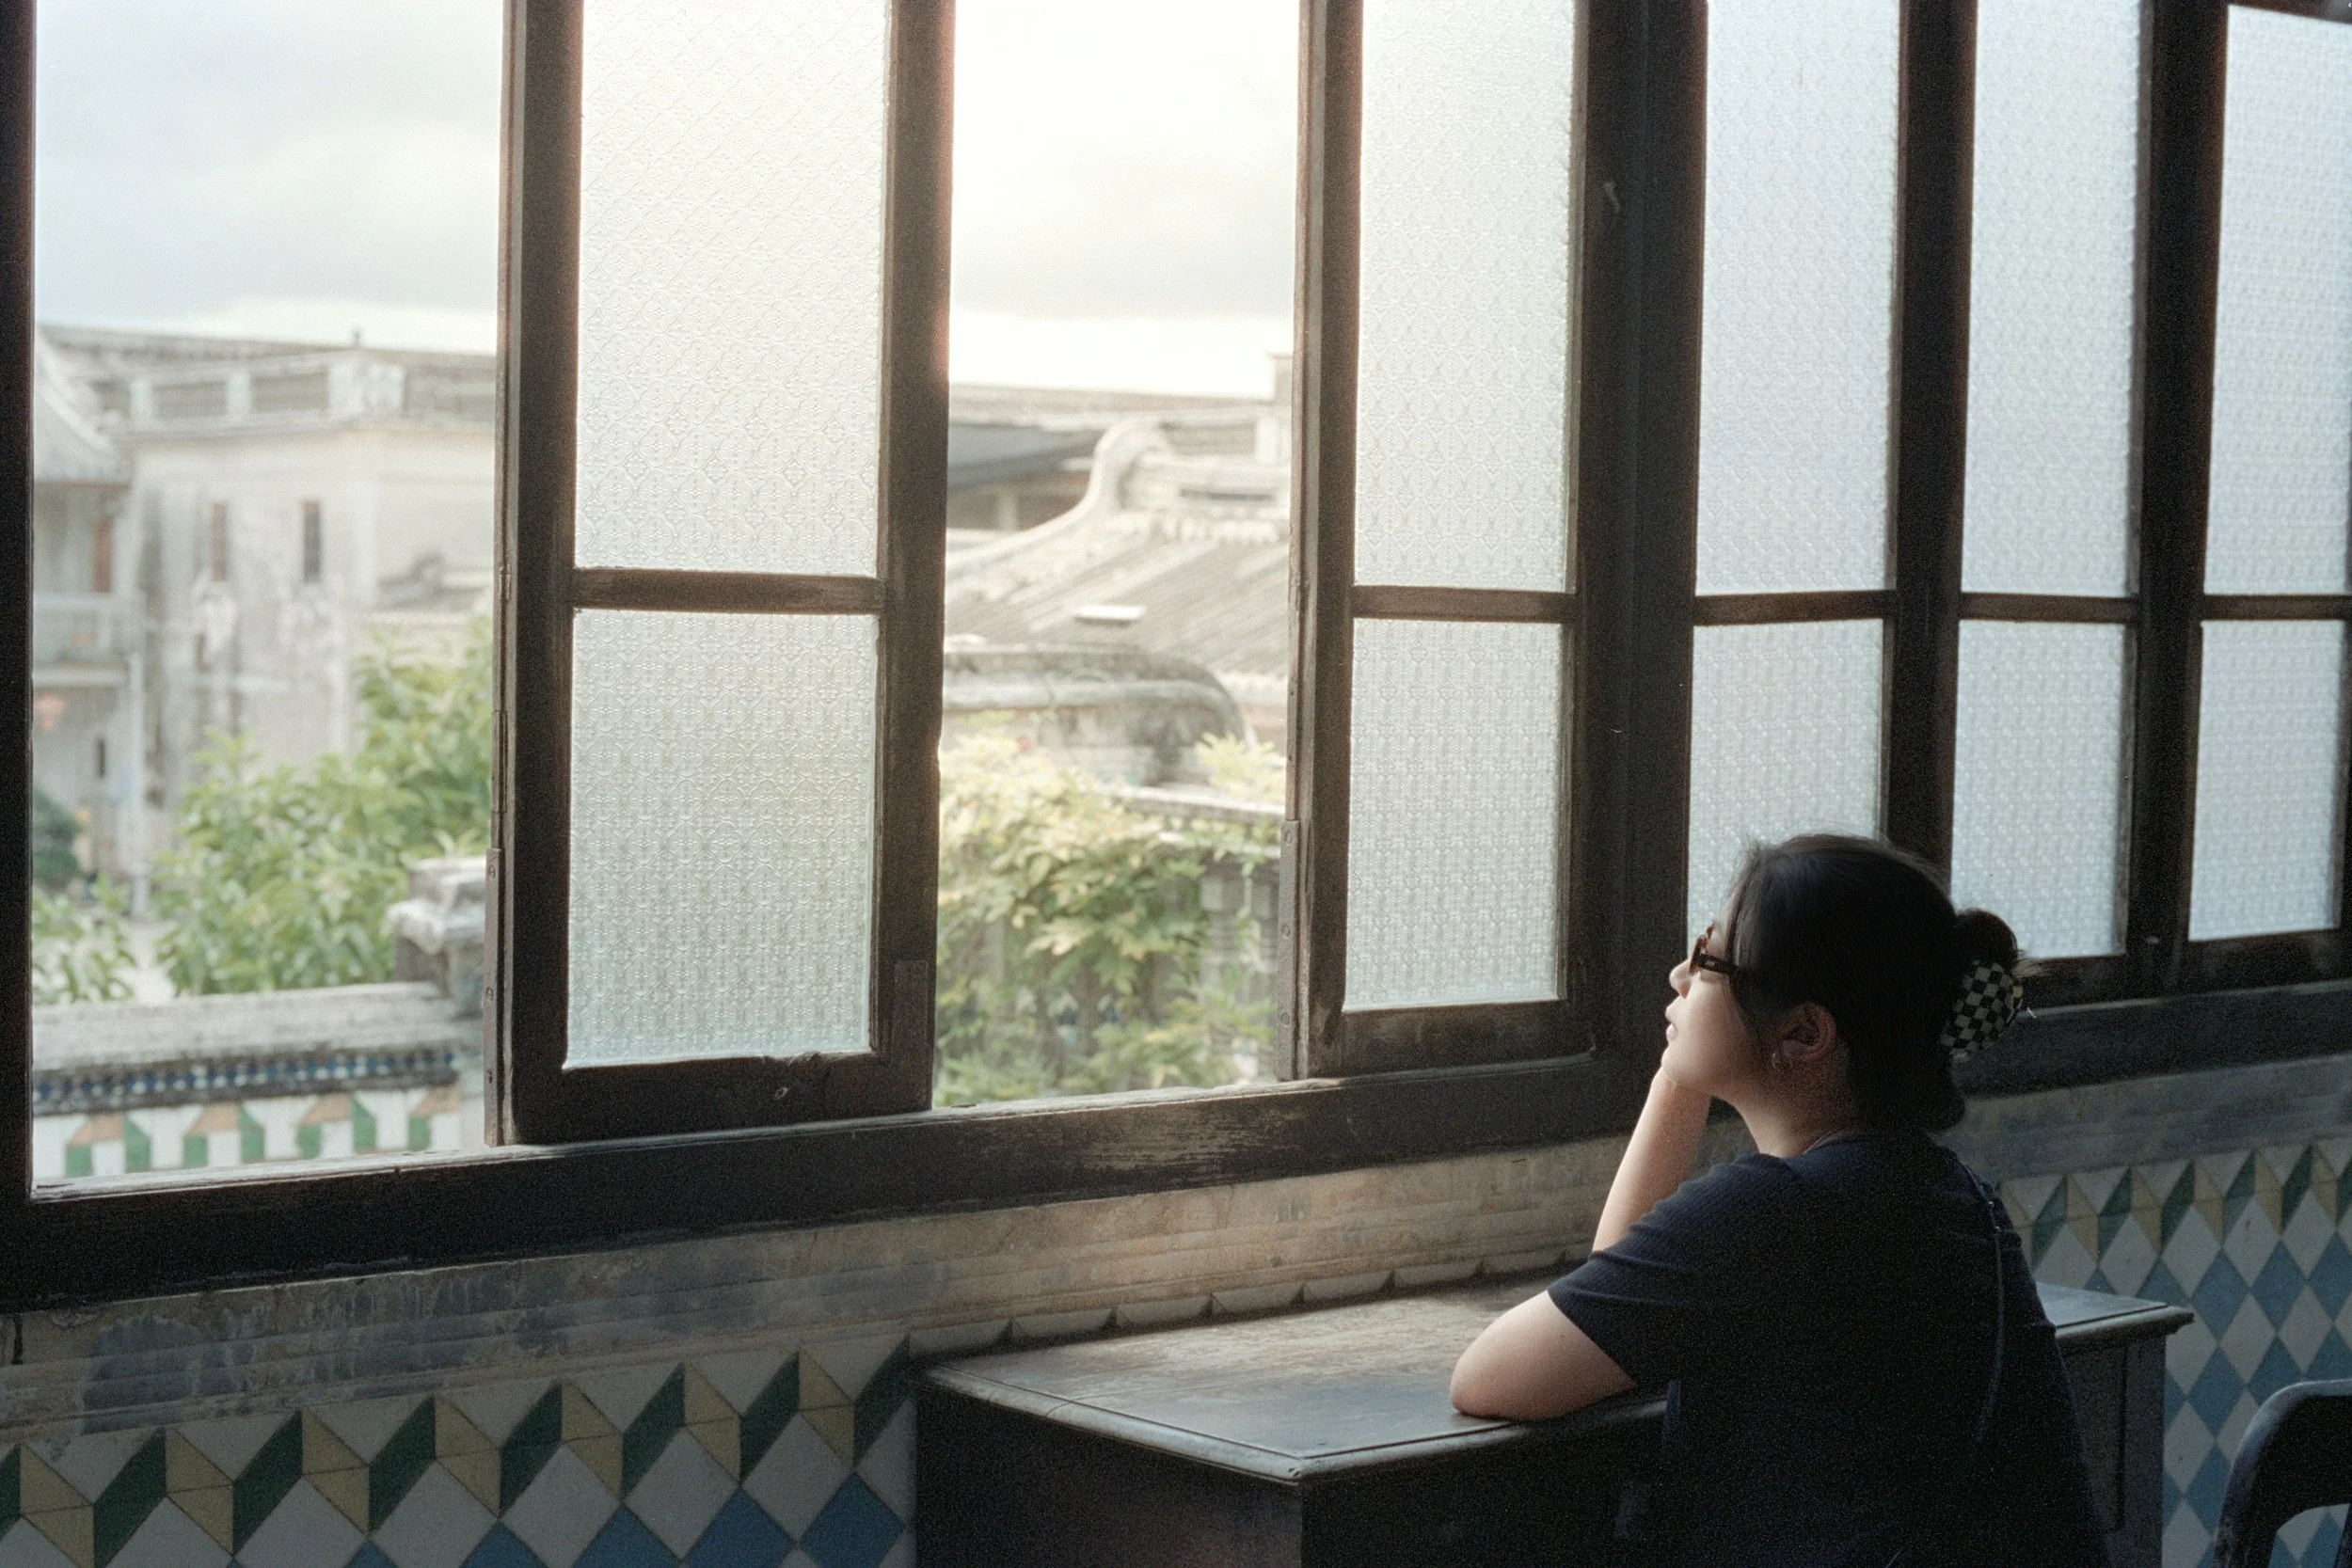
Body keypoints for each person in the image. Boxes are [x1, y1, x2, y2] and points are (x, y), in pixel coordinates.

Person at [1450, 834, 2109, 1567]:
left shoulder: (1773, 1209)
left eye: (1707, 959)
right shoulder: (1952, 1195)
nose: (1678, 976)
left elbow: (1492, 1377)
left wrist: (1684, 1064)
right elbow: (1619, 1311)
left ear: (1803, 1032)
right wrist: (1682, 1070)